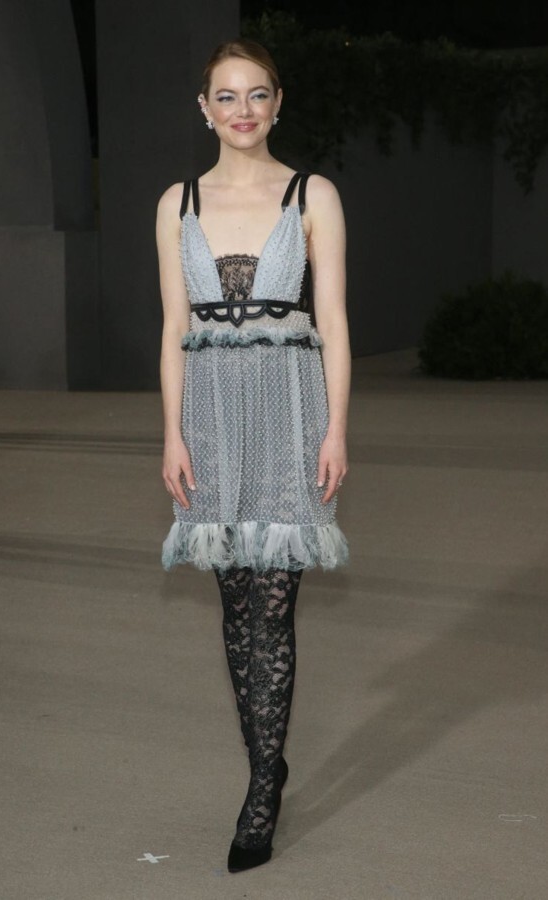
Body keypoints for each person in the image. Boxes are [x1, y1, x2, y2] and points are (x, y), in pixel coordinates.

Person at [156, 38, 351, 873]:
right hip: (209, 415)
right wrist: (172, 433)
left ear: (278, 103)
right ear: (204, 108)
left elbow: (333, 321)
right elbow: (174, 327)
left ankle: (262, 789)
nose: (243, 110)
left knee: (273, 603)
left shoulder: (313, 194)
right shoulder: (177, 203)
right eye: (227, 96)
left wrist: (336, 430)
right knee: (236, 602)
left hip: (291, 410)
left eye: (257, 94)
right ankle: (267, 758)